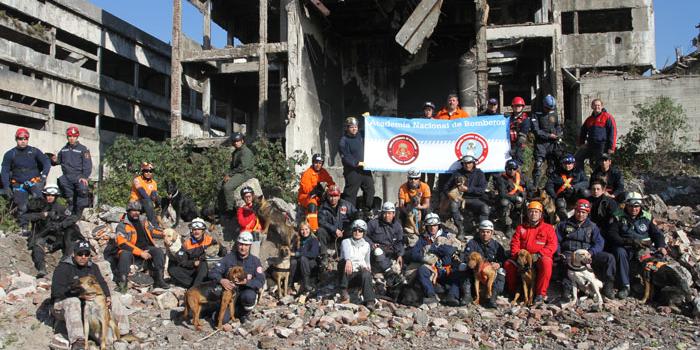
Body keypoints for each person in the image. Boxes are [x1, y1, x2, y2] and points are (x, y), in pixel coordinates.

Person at [51, 240, 129, 350]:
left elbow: (102, 283)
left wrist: (107, 296)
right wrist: (79, 295)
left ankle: (123, 332)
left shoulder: (93, 267)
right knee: (73, 301)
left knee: (115, 297)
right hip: (62, 304)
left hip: (88, 308)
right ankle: (78, 341)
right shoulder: (63, 268)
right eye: (80, 254)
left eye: (86, 254)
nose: (83, 257)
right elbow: (56, 291)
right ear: (74, 254)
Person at [606, 192, 667, 299]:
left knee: (654, 262)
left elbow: (656, 234)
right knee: (620, 252)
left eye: (636, 206)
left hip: (643, 248)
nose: (634, 209)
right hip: (625, 247)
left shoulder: (647, 217)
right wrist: (628, 241)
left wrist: (661, 246)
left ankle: (656, 288)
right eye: (631, 206)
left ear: (640, 206)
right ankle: (625, 286)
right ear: (626, 205)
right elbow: (612, 235)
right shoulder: (617, 216)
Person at [555, 199, 616, 302]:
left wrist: (591, 253)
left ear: (587, 213)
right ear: (575, 211)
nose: (580, 214)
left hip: (587, 254)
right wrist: (559, 253)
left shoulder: (593, 226)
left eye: (583, 212)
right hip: (570, 254)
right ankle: (568, 289)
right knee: (566, 266)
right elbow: (555, 241)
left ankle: (608, 286)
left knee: (609, 258)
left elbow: (599, 243)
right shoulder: (564, 224)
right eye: (578, 211)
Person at [21, 184, 83, 278]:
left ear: (56, 196)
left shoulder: (60, 208)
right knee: (37, 245)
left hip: (58, 236)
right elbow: (25, 216)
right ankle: (41, 269)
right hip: (43, 235)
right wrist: (43, 215)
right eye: (48, 195)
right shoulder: (39, 205)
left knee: (71, 233)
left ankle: (65, 261)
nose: (50, 197)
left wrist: (61, 224)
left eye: (52, 195)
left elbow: (73, 218)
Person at [504, 201, 558, 304]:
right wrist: (518, 258)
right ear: (527, 213)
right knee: (508, 264)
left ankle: (540, 294)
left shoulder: (548, 228)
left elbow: (552, 245)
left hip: (538, 257)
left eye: (536, 212)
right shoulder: (521, 228)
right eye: (531, 212)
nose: (533, 214)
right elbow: (514, 244)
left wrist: (539, 255)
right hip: (523, 258)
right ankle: (513, 291)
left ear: (541, 214)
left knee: (546, 262)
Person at [404, 213, 460, 305]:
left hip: (446, 269)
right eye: (430, 226)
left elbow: (450, 250)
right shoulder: (422, 239)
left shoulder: (448, 236)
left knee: (459, 272)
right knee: (422, 270)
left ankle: (452, 296)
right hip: (432, 269)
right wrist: (425, 258)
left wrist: (433, 249)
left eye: (434, 225)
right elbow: (414, 254)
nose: (432, 228)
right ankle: (431, 295)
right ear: (426, 227)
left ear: (438, 225)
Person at [1, 128, 51, 231]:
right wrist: (6, 186)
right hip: (19, 185)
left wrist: (44, 175)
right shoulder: (10, 154)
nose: (23, 141)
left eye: (25, 138)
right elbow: (4, 171)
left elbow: (46, 162)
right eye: (20, 139)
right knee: (22, 207)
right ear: (16, 139)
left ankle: (40, 227)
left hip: (34, 183)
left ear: (28, 139)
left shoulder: (34, 151)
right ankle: (23, 228)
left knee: (39, 204)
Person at [209, 231, 265, 322]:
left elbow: (261, 280)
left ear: (250, 246)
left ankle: (243, 314)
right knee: (221, 320)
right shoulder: (229, 258)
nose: (243, 247)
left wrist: (247, 282)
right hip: (229, 294)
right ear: (237, 244)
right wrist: (221, 280)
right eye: (241, 244)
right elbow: (213, 272)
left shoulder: (255, 261)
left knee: (249, 296)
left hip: (245, 292)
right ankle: (217, 312)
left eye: (246, 245)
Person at [115, 201, 167, 292]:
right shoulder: (122, 225)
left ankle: (159, 280)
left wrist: (164, 234)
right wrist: (140, 252)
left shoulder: (143, 220)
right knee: (124, 254)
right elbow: (122, 243)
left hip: (146, 247)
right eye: (133, 210)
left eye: (138, 211)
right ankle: (122, 283)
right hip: (131, 250)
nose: (136, 213)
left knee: (158, 251)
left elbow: (152, 231)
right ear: (128, 211)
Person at [168, 218, 226, 288]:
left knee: (203, 263)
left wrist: (220, 246)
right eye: (194, 229)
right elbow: (183, 262)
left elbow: (223, 254)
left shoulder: (210, 240)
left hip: (208, 269)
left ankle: (195, 288)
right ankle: (198, 285)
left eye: (199, 229)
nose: (196, 231)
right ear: (191, 230)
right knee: (172, 270)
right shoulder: (187, 244)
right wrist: (193, 263)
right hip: (193, 269)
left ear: (203, 231)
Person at [462, 220, 508, 308]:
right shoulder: (472, 243)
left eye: (488, 232)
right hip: (476, 272)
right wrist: (474, 264)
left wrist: (499, 264)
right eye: (483, 231)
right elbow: (465, 256)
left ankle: (492, 298)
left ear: (492, 233)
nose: (485, 234)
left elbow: (504, 259)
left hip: (491, 272)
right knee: (463, 268)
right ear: (479, 232)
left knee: (502, 272)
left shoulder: (496, 245)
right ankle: (467, 295)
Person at [443, 155, 489, 237]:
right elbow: (446, 187)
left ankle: (481, 230)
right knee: (453, 205)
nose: (467, 165)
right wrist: (451, 195)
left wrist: (467, 189)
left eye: (469, 163)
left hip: (475, 199)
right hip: (460, 199)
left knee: (485, 208)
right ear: (462, 164)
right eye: (465, 163)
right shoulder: (457, 173)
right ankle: (461, 229)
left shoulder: (479, 173)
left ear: (473, 163)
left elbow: (482, 190)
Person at [338, 220, 377, 309]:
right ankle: (343, 291)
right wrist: (348, 260)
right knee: (343, 262)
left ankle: (370, 301)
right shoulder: (346, 241)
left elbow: (367, 261)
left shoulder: (367, 245)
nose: (357, 232)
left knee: (366, 272)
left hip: (357, 275)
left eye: (360, 230)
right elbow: (346, 251)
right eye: (355, 230)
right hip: (346, 275)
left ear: (364, 232)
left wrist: (367, 269)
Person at [339, 116, 375, 212]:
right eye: (351, 127)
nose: (354, 128)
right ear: (347, 128)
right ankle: (349, 214)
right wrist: (357, 163)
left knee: (370, 190)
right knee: (351, 193)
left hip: (365, 169)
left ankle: (367, 211)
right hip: (352, 171)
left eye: (355, 126)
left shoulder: (360, 135)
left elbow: (370, 130)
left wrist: (368, 119)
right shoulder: (344, 140)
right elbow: (346, 156)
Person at [54, 125, 92, 214]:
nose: (72, 138)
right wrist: (54, 160)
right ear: (67, 137)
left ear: (77, 137)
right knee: (66, 193)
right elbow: (58, 161)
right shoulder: (64, 149)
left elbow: (88, 165)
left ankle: (81, 213)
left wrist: (84, 177)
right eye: (70, 136)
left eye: (74, 137)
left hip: (79, 176)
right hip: (67, 177)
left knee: (82, 192)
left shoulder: (83, 149)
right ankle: (70, 210)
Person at [366, 202, 405, 284]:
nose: (387, 216)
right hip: (376, 253)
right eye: (385, 213)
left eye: (389, 213)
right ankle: (390, 274)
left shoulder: (397, 226)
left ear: (394, 214)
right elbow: (364, 236)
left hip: (390, 253)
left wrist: (400, 254)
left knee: (399, 267)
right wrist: (371, 244)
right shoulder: (373, 223)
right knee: (378, 252)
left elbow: (399, 241)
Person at [530, 94, 563, 185]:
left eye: (551, 109)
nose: (549, 110)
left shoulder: (554, 113)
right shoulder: (536, 114)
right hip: (541, 144)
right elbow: (536, 130)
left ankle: (550, 186)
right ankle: (535, 186)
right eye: (548, 108)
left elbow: (558, 126)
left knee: (552, 166)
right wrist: (548, 135)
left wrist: (558, 134)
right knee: (538, 164)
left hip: (553, 144)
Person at [545, 154, 589, 222]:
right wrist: (554, 195)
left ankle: (584, 211)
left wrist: (575, 187)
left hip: (575, 195)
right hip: (562, 196)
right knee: (560, 205)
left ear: (573, 164)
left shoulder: (579, 172)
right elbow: (549, 185)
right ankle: (564, 221)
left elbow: (586, 182)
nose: (567, 166)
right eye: (565, 163)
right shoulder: (556, 173)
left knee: (585, 192)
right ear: (562, 164)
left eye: (570, 164)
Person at [298, 153, 336, 231]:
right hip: (306, 196)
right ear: (313, 162)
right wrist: (315, 190)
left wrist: (331, 189)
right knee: (312, 204)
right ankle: (313, 229)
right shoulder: (307, 173)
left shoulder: (323, 172)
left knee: (333, 200)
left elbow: (331, 183)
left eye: (320, 163)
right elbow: (306, 189)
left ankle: (333, 226)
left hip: (319, 195)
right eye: (316, 163)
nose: (318, 165)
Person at [576, 99, 617, 170]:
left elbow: (613, 132)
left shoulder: (607, 117)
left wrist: (611, 147)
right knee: (578, 157)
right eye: (595, 105)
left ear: (601, 106)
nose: (596, 107)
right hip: (591, 144)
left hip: (602, 145)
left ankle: (600, 179)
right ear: (592, 106)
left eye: (598, 105)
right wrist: (581, 143)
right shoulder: (589, 119)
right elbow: (583, 131)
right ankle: (581, 177)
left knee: (600, 164)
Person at [317, 186, 357, 257]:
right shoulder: (323, 207)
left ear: (339, 196)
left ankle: (351, 255)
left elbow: (355, 216)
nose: (333, 198)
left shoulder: (347, 205)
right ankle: (324, 256)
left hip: (344, 233)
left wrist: (346, 229)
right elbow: (321, 221)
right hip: (330, 234)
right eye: (331, 196)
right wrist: (334, 230)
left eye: (335, 196)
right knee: (320, 231)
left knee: (354, 230)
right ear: (327, 196)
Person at [221, 132, 255, 213]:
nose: (236, 143)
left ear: (242, 141)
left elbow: (243, 167)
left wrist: (230, 175)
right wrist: (228, 175)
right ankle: (221, 208)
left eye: (238, 141)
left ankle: (230, 209)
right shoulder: (236, 152)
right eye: (234, 141)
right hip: (238, 172)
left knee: (227, 187)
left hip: (245, 173)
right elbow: (233, 167)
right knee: (220, 185)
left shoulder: (245, 151)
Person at [495, 160, 527, 237]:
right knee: (504, 203)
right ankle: (508, 227)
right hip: (509, 201)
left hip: (522, 200)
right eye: (510, 169)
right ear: (506, 169)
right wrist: (516, 198)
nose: (512, 171)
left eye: (514, 169)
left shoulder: (521, 177)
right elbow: (503, 194)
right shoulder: (501, 179)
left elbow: (530, 186)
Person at [289, 221, 320, 298]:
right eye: (302, 230)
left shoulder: (314, 240)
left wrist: (299, 254)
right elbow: (293, 253)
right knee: (293, 262)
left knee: (303, 258)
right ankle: (290, 284)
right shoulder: (298, 240)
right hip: (300, 265)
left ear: (310, 229)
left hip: (311, 264)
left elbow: (314, 254)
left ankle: (306, 283)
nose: (304, 231)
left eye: (306, 229)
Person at [128, 162, 160, 228]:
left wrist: (157, 200)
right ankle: (154, 225)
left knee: (159, 200)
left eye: (150, 171)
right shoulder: (137, 180)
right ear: (142, 171)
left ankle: (158, 221)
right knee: (147, 201)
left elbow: (154, 195)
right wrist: (151, 202)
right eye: (146, 171)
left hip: (145, 204)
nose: (148, 173)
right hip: (135, 203)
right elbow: (142, 193)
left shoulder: (154, 183)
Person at [506, 96, 531, 167]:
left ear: (522, 107)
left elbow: (522, 137)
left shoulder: (525, 120)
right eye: (515, 106)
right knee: (507, 167)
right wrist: (503, 118)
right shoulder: (509, 118)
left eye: (519, 106)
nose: (517, 107)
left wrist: (515, 149)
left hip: (519, 146)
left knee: (517, 166)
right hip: (508, 145)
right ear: (512, 107)